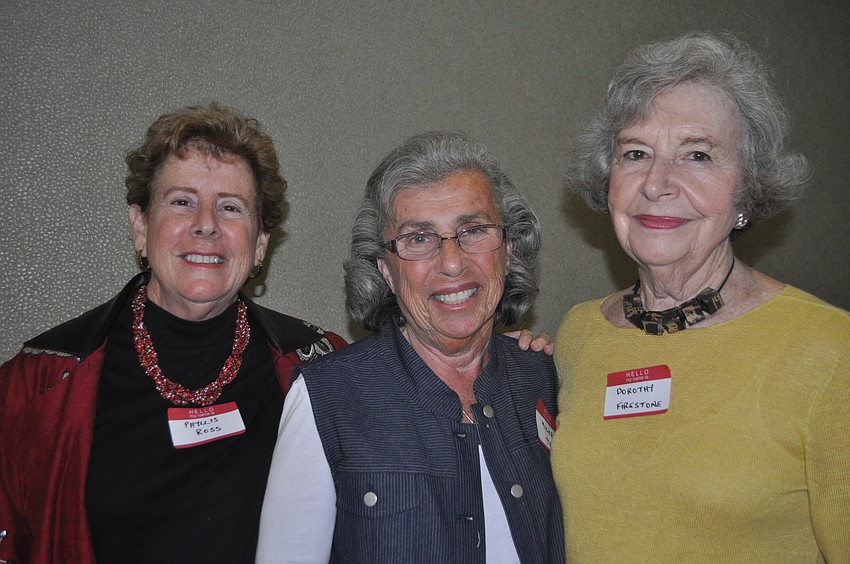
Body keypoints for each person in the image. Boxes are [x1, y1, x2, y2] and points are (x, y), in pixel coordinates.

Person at [0, 103, 347, 563]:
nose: (206, 224)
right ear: (140, 226)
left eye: (230, 207)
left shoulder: (325, 370)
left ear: (261, 243)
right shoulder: (33, 387)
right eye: (182, 202)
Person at [551, 32, 850, 562]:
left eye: (698, 155)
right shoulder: (579, 334)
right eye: (636, 153)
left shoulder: (830, 350)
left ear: (747, 188)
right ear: (608, 180)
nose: (658, 183)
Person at [256, 131, 565, 563]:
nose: (452, 263)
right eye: (419, 239)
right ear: (385, 270)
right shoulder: (327, 398)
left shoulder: (549, 379)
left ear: (508, 250)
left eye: (473, 230)